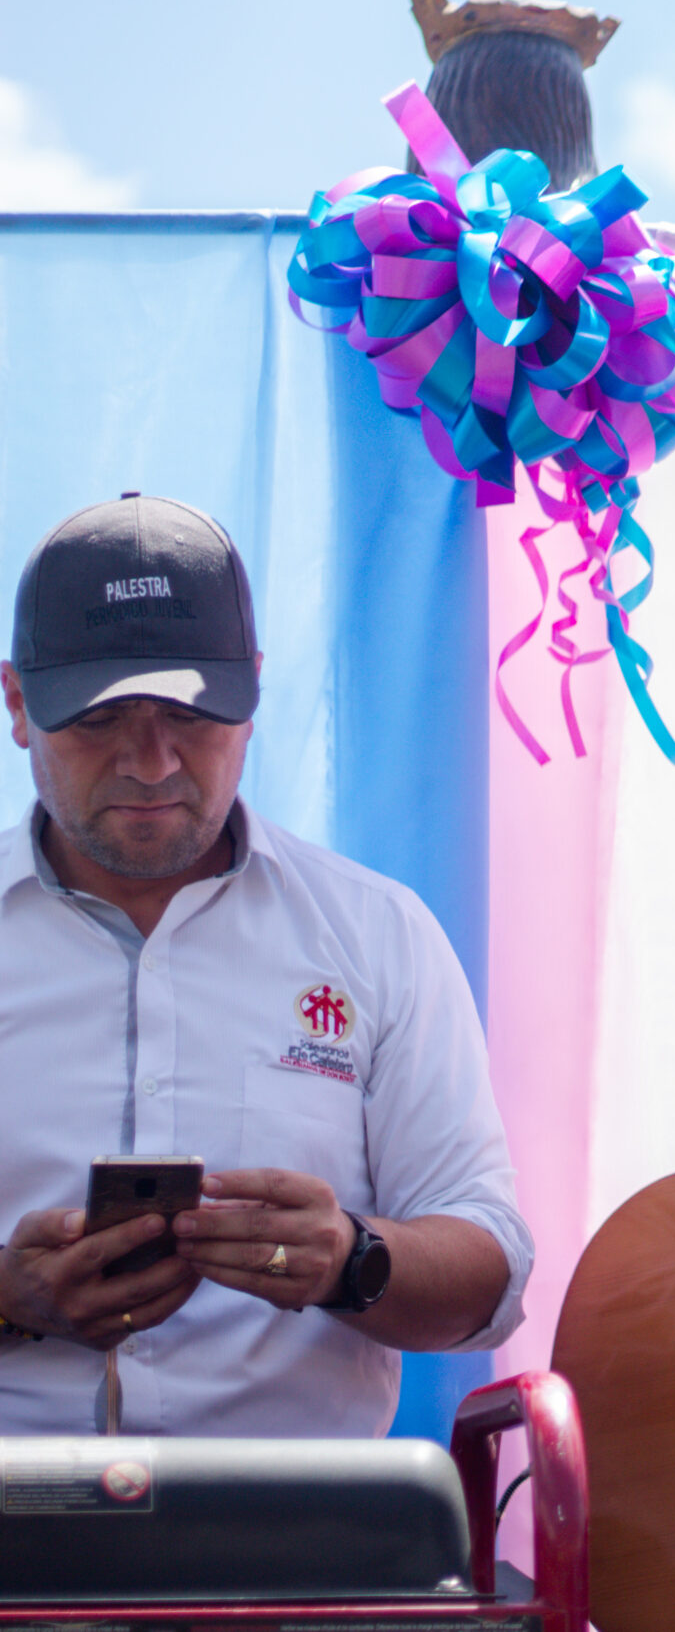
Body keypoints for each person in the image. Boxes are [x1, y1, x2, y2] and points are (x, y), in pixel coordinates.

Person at [0, 493, 531, 1436]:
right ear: (16, 705)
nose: (153, 763)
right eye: (100, 719)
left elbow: (487, 1276)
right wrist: (8, 1297)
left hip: (294, 1549)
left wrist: (352, 1260)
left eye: (191, 717)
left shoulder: (376, 935)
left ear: (252, 693)